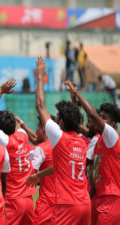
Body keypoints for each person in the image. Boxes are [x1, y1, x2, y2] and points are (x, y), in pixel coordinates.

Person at [27, 57, 91, 225]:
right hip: (84, 203)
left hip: (67, 205)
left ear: (61, 122)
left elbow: (40, 106)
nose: (56, 121)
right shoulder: (81, 141)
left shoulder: (59, 137)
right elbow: (60, 167)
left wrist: (40, 77)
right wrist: (39, 175)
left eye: (58, 118)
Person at [65, 82, 120, 224]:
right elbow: (76, 125)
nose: (99, 120)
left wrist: (77, 94)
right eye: (100, 116)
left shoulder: (112, 137)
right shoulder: (99, 138)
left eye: (104, 118)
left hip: (111, 198)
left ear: (112, 123)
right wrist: (73, 99)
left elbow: (93, 116)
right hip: (99, 196)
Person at [31, 116, 55, 225]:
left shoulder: (41, 148)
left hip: (46, 203)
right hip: (63, 203)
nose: (36, 129)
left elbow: (32, 173)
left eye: (37, 126)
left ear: (44, 129)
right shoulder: (61, 145)